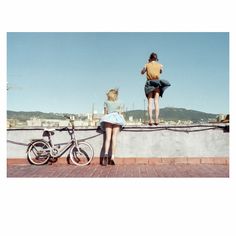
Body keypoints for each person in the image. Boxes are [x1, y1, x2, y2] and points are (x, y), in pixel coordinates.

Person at [141, 52, 171, 125]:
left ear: (150, 58)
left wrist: (147, 65)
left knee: (149, 103)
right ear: (156, 59)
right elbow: (160, 72)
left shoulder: (147, 65)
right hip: (157, 83)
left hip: (149, 83)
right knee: (156, 102)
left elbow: (142, 72)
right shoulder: (160, 65)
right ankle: (157, 119)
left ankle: (151, 120)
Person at [99, 88, 126, 166]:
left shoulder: (106, 102)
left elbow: (105, 113)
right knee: (114, 137)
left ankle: (106, 154)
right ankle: (112, 157)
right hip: (117, 118)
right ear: (116, 95)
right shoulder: (120, 102)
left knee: (107, 138)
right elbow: (121, 112)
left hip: (108, 119)